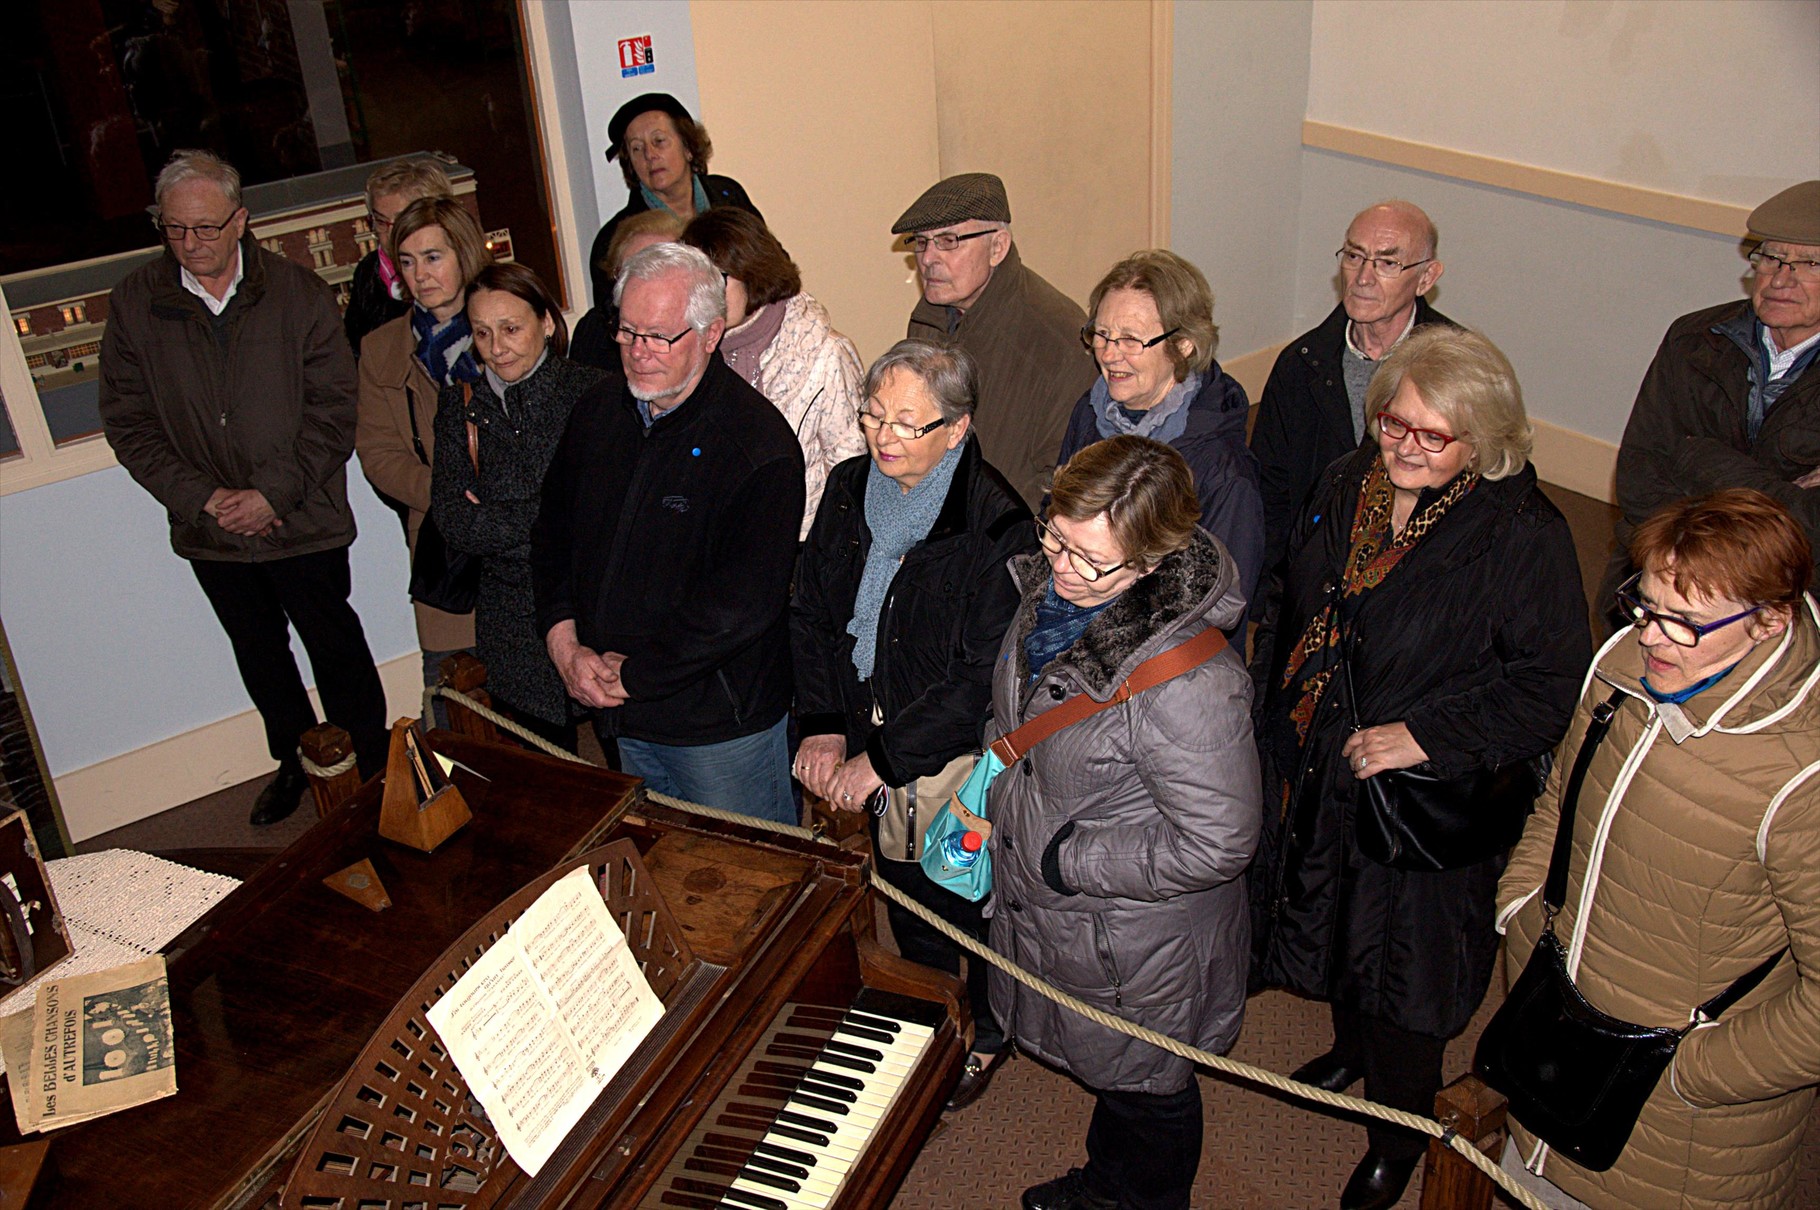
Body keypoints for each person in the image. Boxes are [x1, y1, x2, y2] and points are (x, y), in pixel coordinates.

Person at [1248, 326, 1590, 1210]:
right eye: (1393, 424)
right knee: (1329, 919)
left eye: (1431, 436)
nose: (1402, 446)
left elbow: (1549, 687)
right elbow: (1292, 592)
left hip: (1428, 800)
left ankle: (1397, 1135)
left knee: (1405, 970)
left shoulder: (1523, 535)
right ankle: (1353, 1049)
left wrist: (1424, 734)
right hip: (1327, 762)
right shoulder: (1345, 481)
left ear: (1484, 440)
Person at [1497, 489, 1820, 1210]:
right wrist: (1520, 913)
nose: (1651, 637)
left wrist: (1694, 1074)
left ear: (1771, 620)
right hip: (1550, 1045)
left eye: (1687, 623)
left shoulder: (1804, 782)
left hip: (1678, 1141)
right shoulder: (1619, 667)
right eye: (1644, 606)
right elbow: (1560, 800)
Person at [987, 436, 1261, 1210]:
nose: (1062, 567)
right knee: (1120, 1074)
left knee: (1149, 1086)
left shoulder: (1192, 687)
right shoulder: (1058, 591)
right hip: (1075, 916)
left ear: (1150, 563)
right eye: (1055, 537)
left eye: (1092, 560)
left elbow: (1220, 839)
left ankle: (1139, 1199)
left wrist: (1070, 860)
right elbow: (1026, 711)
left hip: (1136, 939)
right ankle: (1111, 1182)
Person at [97, 149, 387, 825]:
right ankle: (298, 760)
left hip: (303, 519)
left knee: (335, 646)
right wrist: (202, 497)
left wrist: (271, 495)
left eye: (204, 228)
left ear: (239, 221)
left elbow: (333, 407)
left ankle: (371, 768)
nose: (189, 244)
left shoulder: (298, 293)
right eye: (173, 229)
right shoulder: (136, 303)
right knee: (259, 654)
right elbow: (128, 419)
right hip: (211, 531)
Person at [791, 340, 1034, 1112]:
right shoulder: (846, 486)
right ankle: (933, 1013)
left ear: (956, 429)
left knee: (967, 896)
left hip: (947, 752)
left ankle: (991, 1031)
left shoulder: (996, 525)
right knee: (902, 888)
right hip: (866, 723)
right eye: (871, 416)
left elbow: (977, 682)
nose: (881, 436)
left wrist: (884, 758)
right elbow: (811, 613)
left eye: (906, 422)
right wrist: (827, 725)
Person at [531, 244, 804, 823]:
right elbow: (552, 534)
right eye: (627, 332)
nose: (637, 353)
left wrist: (634, 675)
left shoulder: (759, 447)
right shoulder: (597, 413)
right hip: (616, 712)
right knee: (654, 872)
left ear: (711, 334)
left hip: (718, 731)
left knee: (750, 885)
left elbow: (741, 605)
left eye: (659, 336)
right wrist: (564, 643)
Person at [1607, 180, 1820, 606]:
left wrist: (1699, 458)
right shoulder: (1695, 339)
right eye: (1771, 258)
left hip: (1799, 591)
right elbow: (1639, 479)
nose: (1781, 280)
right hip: (1673, 575)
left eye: (1810, 264)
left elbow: (1817, 529)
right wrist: (1783, 495)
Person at [430, 263, 602, 753]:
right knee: (543, 762)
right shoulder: (460, 407)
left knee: (631, 757)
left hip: (593, 598)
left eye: (510, 328)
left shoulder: (592, 393)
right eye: (481, 333)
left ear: (546, 322)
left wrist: (502, 513)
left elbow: (602, 510)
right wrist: (554, 507)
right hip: (510, 613)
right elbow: (458, 523)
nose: (496, 346)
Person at [1249, 200, 1451, 606]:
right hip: (1317, 577)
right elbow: (1268, 488)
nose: (1362, 278)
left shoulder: (1457, 371)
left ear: (1426, 277)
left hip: (1422, 582)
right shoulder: (1300, 366)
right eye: (1354, 256)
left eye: (1387, 263)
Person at [1059, 249, 1265, 607]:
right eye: (1102, 334)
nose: (1108, 354)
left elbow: (1218, 604)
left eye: (1131, 340)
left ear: (1183, 345)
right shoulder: (1090, 413)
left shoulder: (1222, 470)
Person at [354, 196, 493, 697]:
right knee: (451, 697)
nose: (420, 275)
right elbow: (379, 455)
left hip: (521, 530)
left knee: (537, 702)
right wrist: (450, 494)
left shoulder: (510, 322)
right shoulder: (381, 347)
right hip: (441, 537)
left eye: (433, 257)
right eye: (407, 262)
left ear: (464, 254)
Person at [893, 172, 1097, 510]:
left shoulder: (1056, 338)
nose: (928, 258)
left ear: (998, 247)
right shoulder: (931, 316)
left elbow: (1063, 482)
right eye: (921, 242)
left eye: (948, 241)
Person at [683, 207, 866, 539]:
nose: (705, 294)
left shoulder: (826, 352)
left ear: (752, 271)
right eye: (695, 281)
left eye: (716, 279)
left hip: (805, 551)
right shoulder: (693, 355)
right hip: (726, 545)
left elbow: (853, 479)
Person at [586, 92, 761, 308]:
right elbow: (614, 323)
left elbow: (768, 268)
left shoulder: (729, 195)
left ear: (688, 148)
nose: (650, 155)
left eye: (659, 141)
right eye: (637, 148)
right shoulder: (616, 240)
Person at [343, 157, 454, 357]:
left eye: (404, 219)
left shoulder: (457, 269)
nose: (391, 233)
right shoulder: (367, 272)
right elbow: (353, 351)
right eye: (381, 221)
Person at [570, 209, 684, 373]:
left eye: (657, 268)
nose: (643, 282)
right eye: (632, 270)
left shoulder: (695, 328)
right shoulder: (594, 329)